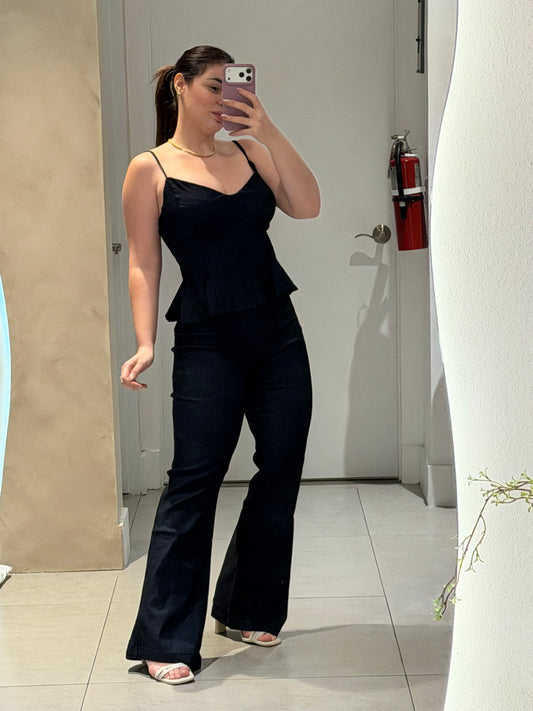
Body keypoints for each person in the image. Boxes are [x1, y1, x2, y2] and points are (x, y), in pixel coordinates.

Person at [120, 45, 320, 686]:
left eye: (231, 86)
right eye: (213, 86)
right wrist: (146, 342)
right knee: (194, 480)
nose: (223, 97)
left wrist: (267, 129)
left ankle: (247, 608)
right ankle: (165, 639)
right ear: (180, 86)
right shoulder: (150, 168)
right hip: (207, 340)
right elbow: (143, 261)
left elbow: (307, 205)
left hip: (277, 332)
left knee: (281, 467)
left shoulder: (251, 151)